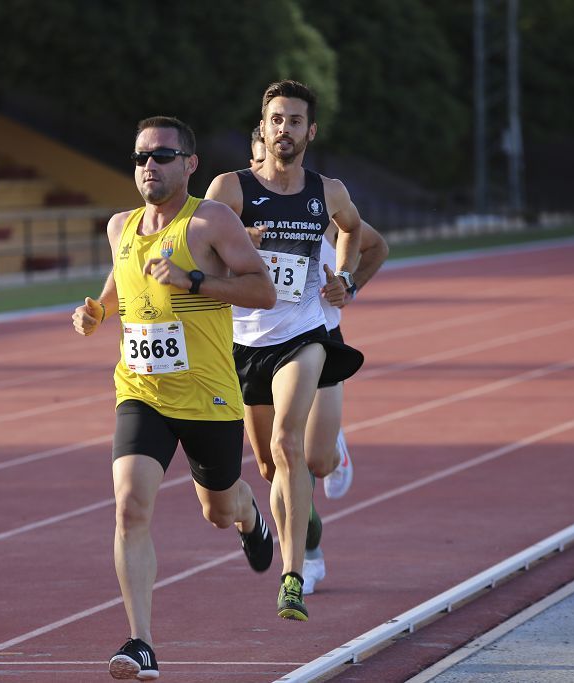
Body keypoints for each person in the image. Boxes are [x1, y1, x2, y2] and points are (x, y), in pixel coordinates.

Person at [72, 115, 277, 680]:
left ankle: (248, 514)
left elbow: (262, 290)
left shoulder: (211, 221)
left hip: (208, 394)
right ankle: (141, 643)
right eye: (140, 156)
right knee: (130, 506)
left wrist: (193, 282)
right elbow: (120, 287)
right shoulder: (120, 227)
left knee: (217, 509)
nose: (148, 166)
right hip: (140, 391)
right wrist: (96, 312)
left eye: (162, 156)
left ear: (190, 164)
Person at [206, 80, 366, 621]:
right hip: (246, 341)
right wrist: (236, 247)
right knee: (271, 467)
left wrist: (344, 276)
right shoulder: (230, 189)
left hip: (304, 335)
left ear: (310, 131)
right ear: (264, 124)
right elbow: (195, 247)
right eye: (276, 119)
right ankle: (304, 535)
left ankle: (292, 575)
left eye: (295, 121)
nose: (285, 129)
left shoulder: (329, 192)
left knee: (288, 444)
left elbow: (353, 232)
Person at [247, 128, 389, 594]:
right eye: (256, 166)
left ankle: (333, 448)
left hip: (319, 340)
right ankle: (306, 552)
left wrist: (348, 284)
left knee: (315, 461)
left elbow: (376, 246)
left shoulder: (321, 212)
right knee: (273, 466)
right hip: (260, 345)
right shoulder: (233, 214)